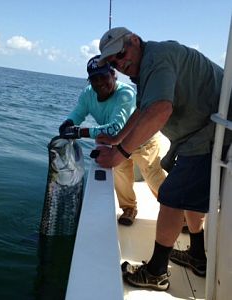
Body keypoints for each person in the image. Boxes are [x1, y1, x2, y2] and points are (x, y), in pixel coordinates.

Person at [94, 27, 232, 290]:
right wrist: (115, 140)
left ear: (134, 40)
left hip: (211, 132)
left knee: (171, 196)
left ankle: (157, 272)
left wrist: (119, 154)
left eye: (120, 54)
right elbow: (143, 109)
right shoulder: (148, 65)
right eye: (113, 62)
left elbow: (160, 110)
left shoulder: (156, 59)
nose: (120, 64)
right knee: (187, 195)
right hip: (200, 133)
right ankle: (197, 255)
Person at [59, 54, 166, 226]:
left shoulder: (126, 94)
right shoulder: (88, 94)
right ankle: (129, 208)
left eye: (104, 77)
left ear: (114, 74)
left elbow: (115, 128)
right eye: (95, 79)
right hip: (117, 143)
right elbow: (78, 113)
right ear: (89, 81)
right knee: (121, 175)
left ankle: (177, 211)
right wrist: (69, 123)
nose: (100, 83)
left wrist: (79, 132)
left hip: (143, 140)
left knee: (153, 175)